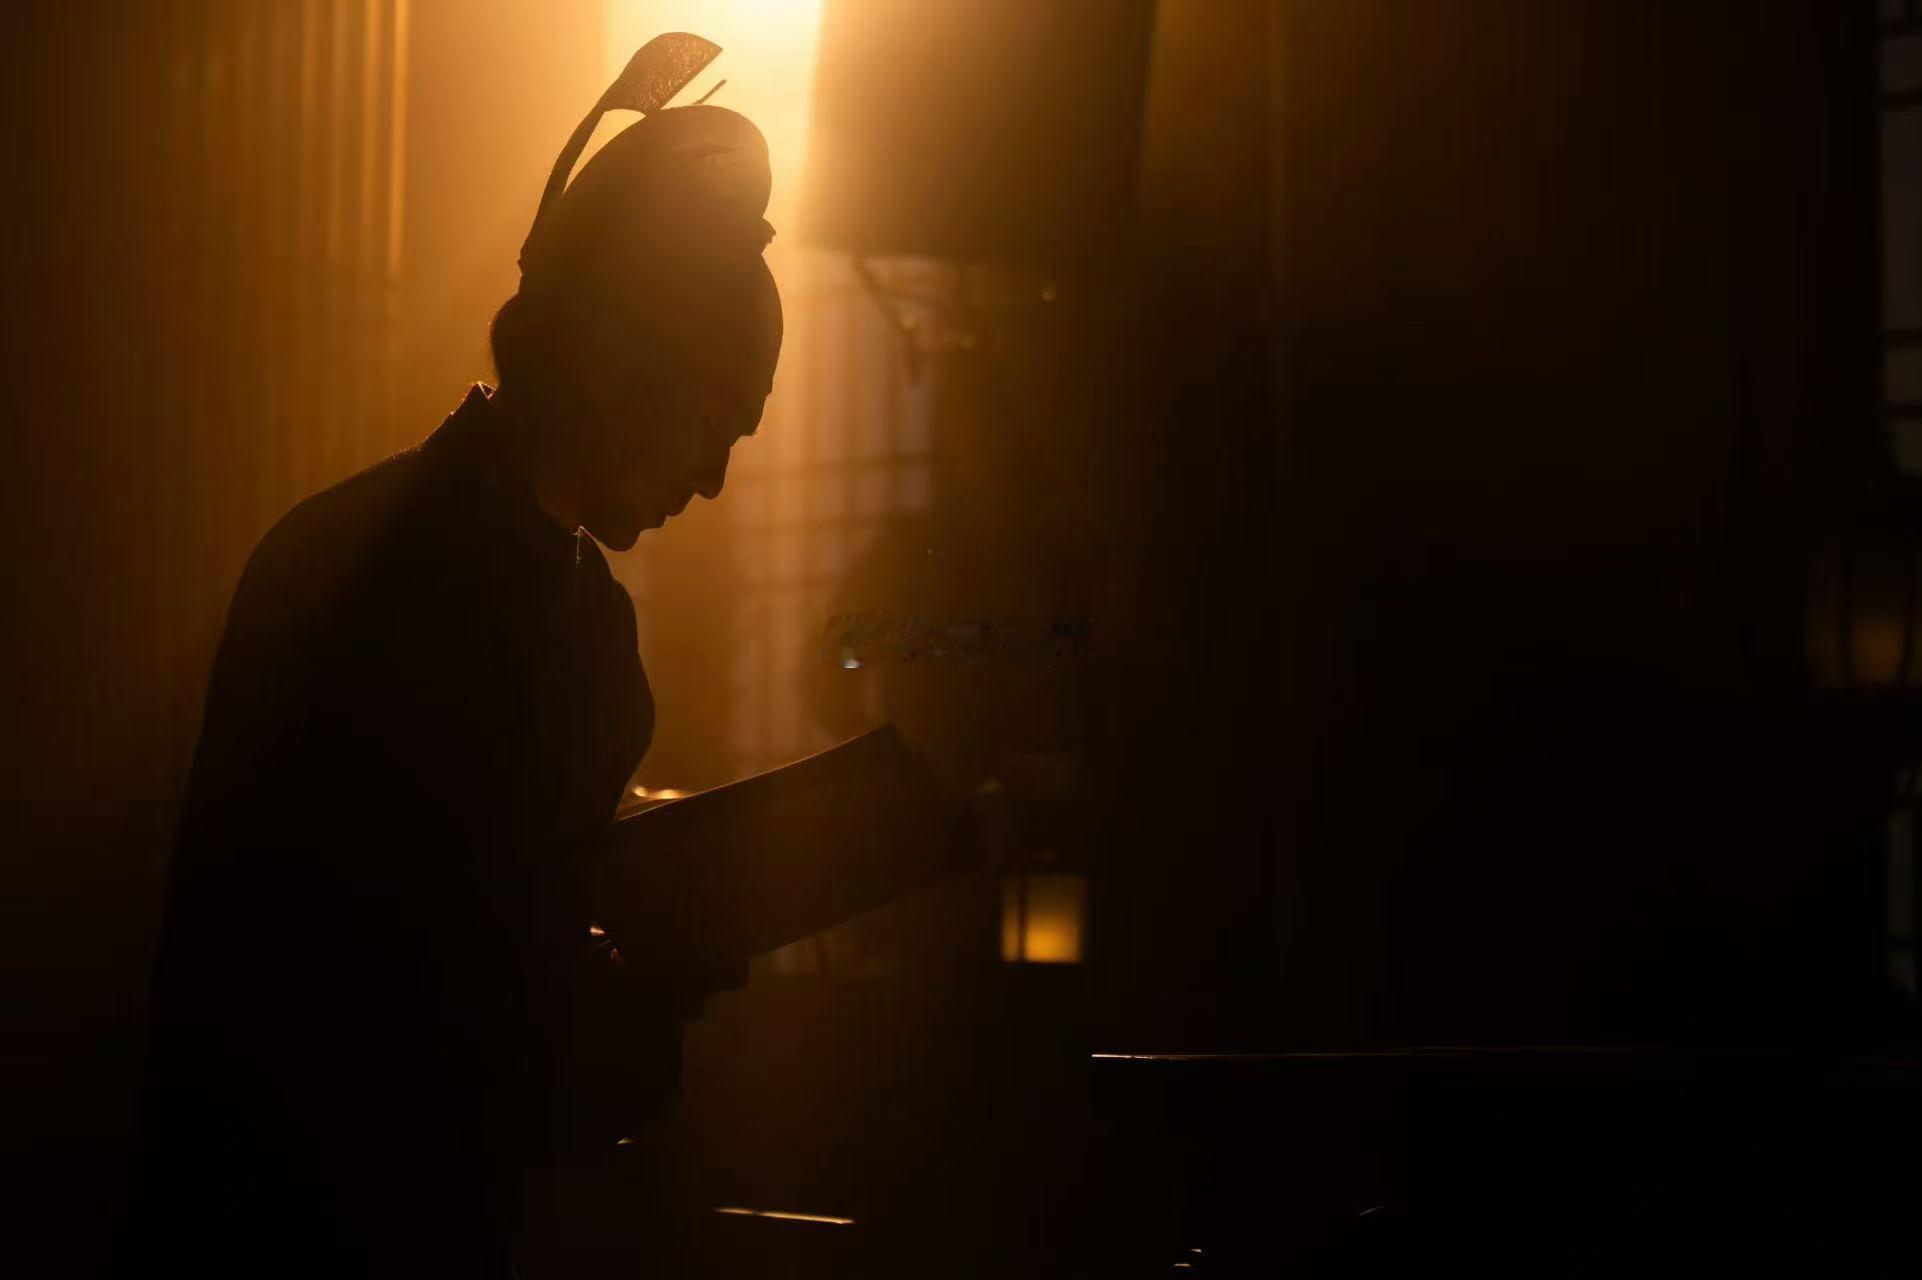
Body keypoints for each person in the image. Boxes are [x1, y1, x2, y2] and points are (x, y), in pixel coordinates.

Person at [119, 39, 780, 1277]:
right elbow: (402, 990)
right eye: (714, 417)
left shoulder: (416, 564)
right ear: (622, 357)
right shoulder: (448, 595)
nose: (711, 477)